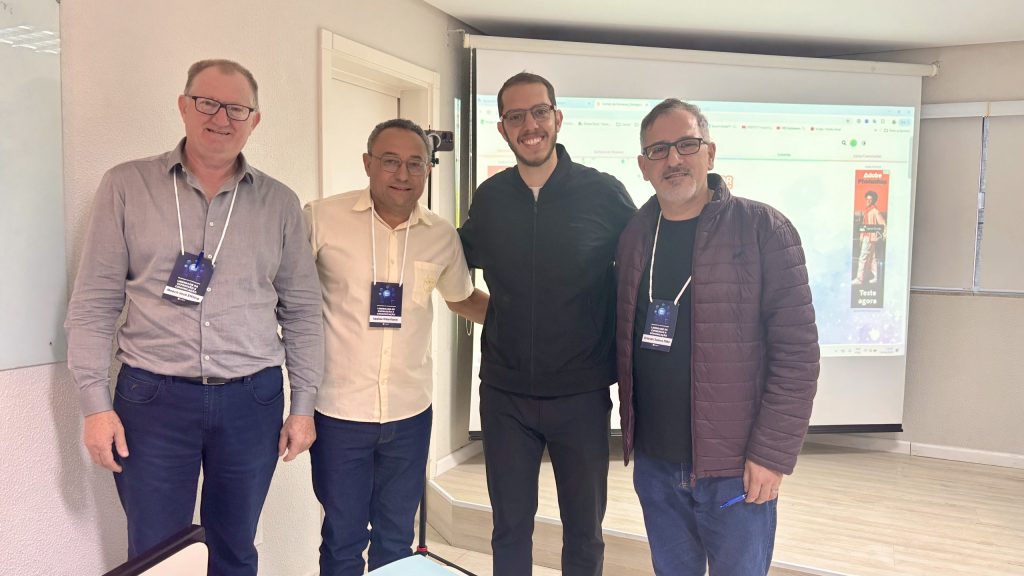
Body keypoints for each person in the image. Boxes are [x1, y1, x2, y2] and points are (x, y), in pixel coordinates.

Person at [64, 59, 324, 576]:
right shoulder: (126, 186)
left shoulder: (280, 203)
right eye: (207, 103)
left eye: (236, 108)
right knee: (158, 557)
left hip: (252, 401)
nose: (221, 118)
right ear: (184, 107)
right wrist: (94, 406)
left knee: (235, 549)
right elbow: (94, 302)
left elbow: (301, 311)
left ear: (254, 120)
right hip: (153, 400)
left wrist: (304, 406)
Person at [615, 98, 819, 576]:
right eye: (659, 150)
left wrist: (771, 455)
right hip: (656, 465)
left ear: (710, 153)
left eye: (687, 145)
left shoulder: (764, 229)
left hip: (736, 469)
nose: (673, 159)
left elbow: (798, 356)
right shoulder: (634, 235)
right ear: (643, 166)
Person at [459, 73, 637, 576]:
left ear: (557, 117)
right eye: (515, 116)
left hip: (580, 395)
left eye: (539, 112)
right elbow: (451, 266)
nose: (530, 125)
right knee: (509, 530)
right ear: (502, 129)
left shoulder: (603, 193)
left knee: (584, 532)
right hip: (505, 395)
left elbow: (641, 273)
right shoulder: (490, 198)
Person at [304, 119, 487, 576]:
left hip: (409, 414)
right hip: (339, 413)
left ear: (428, 170)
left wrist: (532, 323)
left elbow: (462, 298)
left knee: (396, 541)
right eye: (390, 161)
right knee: (342, 541)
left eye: (415, 163)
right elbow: (286, 296)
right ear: (368, 163)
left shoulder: (440, 234)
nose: (403, 174)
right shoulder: (321, 219)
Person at [853, 190, 887, 284]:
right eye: (867, 199)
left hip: (870, 237)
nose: (868, 201)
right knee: (872, 258)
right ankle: (876, 277)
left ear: (873, 201)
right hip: (866, 236)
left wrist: (884, 235)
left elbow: (883, 224)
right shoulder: (867, 211)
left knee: (863, 257)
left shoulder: (875, 211)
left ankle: (860, 278)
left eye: (870, 200)